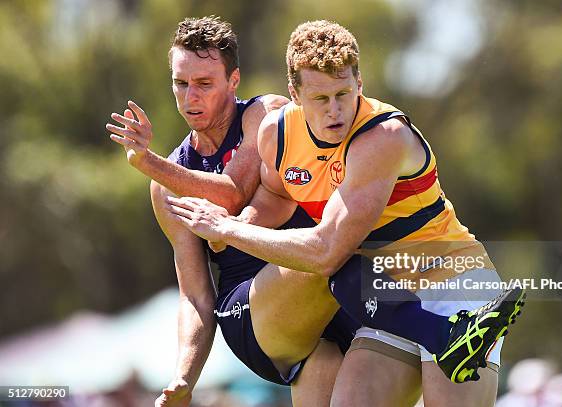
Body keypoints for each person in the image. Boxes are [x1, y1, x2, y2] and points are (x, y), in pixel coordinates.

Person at [166, 20, 526, 406]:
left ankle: (449, 334)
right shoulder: (278, 133)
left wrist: (226, 229)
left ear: (360, 83)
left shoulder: (381, 138)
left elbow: (327, 252)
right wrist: (239, 224)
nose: (336, 110)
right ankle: (440, 335)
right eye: (320, 99)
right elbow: (274, 195)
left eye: (344, 93)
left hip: (455, 284)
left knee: (329, 261)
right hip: (390, 300)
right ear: (295, 94)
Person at [106, 17, 358, 407]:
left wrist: (148, 162)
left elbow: (234, 193)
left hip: (323, 304)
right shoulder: (165, 184)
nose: (190, 96)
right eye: (180, 83)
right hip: (249, 314)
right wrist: (184, 378)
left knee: (331, 360)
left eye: (205, 84)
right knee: (339, 251)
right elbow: (195, 297)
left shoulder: (267, 115)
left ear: (234, 80)